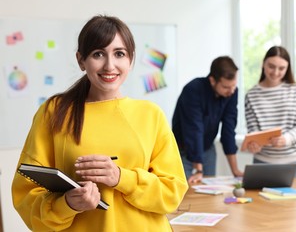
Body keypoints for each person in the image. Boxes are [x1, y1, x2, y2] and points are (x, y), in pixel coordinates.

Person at [11, 15, 188, 231]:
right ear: (81, 60)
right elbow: (25, 194)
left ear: (130, 60)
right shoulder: (54, 112)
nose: (109, 65)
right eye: (98, 54)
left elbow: (173, 192)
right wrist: (67, 204)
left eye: (119, 54)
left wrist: (121, 177)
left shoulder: (151, 115)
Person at [172, 56, 243, 183]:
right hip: (183, 150)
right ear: (212, 80)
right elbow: (194, 129)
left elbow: (229, 129)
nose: (231, 91)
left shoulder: (231, 93)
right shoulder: (193, 90)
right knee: (186, 191)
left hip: (207, 148)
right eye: (226, 87)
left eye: (234, 86)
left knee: (210, 189)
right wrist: (198, 170)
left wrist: (235, 170)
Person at [244, 46, 296, 177]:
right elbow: (253, 130)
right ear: (263, 64)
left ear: (287, 68)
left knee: (295, 198)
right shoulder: (252, 95)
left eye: (282, 68)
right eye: (271, 66)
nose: (276, 72)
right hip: (262, 162)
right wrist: (254, 144)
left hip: (294, 162)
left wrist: (286, 138)